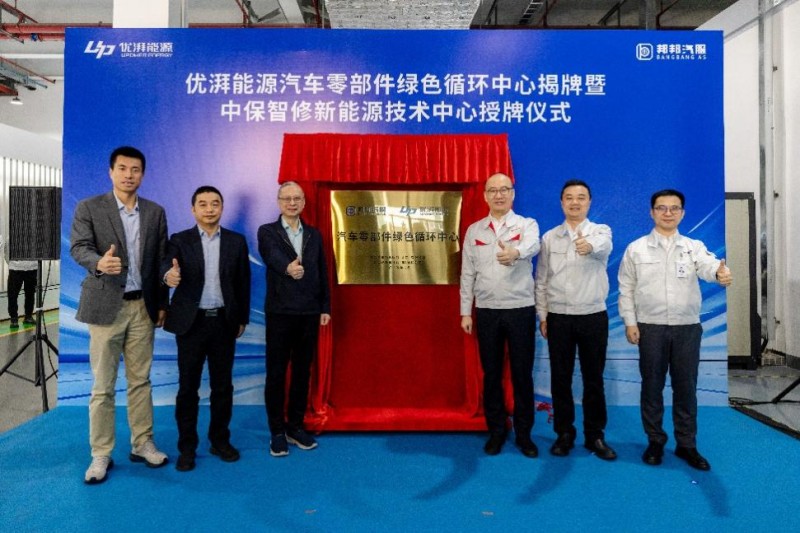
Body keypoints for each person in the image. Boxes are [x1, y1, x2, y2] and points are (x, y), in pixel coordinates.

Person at [70, 146, 169, 484]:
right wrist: (98, 262)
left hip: (143, 307)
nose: (129, 175)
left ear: (143, 174)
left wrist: (162, 303)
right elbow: (79, 247)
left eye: (135, 169)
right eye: (123, 168)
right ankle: (101, 453)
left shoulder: (155, 212)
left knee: (141, 380)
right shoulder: (89, 207)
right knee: (103, 385)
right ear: (111, 171)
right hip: (105, 307)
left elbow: (161, 260)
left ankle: (143, 443)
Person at [618, 189, 732, 471]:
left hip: (686, 328)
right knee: (652, 386)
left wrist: (719, 273)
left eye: (674, 208)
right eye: (661, 208)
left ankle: (686, 444)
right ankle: (655, 441)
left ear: (682, 213)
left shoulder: (693, 247)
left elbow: (709, 267)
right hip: (650, 328)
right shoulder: (636, 249)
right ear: (652, 212)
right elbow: (626, 288)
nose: (668, 213)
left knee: (686, 388)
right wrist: (630, 322)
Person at [162, 186, 251, 472]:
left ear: (222, 208)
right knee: (188, 388)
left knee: (222, 387)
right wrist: (169, 275)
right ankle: (187, 447)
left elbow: (243, 282)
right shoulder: (180, 240)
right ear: (193, 209)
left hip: (224, 323)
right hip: (192, 324)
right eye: (203, 204)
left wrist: (242, 318)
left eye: (215, 203)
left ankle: (219, 440)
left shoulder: (236, 242)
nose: (209, 209)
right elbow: (165, 266)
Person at [535, 179, 616, 460]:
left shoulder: (601, 231)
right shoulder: (550, 237)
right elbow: (541, 279)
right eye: (569, 197)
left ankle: (595, 436)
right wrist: (543, 315)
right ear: (561, 202)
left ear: (589, 202)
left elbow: (603, 246)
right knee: (560, 379)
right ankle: (564, 433)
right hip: (558, 317)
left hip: (592, 316)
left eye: (581, 197)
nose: (575, 202)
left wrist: (588, 244)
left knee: (593, 379)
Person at [460, 172, 540, 458]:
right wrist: (465, 312)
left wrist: (515, 252)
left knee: (522, 374)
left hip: (520, 309)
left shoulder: (527, 225)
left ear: (512, 194)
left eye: (504, 189)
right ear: (485, 196)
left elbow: (534, 246)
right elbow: (467, 273)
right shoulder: (475, 230)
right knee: (491, 374)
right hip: (487, 311)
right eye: (493, 190)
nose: (499, 195)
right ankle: (496, 430)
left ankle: (524, 434)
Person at [258, 181, 330, 457]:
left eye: (296, 198)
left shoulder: (313, 234)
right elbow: (271, 255)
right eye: (286, 198)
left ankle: (295, 426)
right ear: (279, 202)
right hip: (280, 312)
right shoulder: (268, 231)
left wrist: (325, 307)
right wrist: (288, 268)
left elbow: (322, 270)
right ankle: (277, 431)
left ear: (303, 203)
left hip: (309, 312)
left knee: (302, 372)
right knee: (276, 373)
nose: (291, 203)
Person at [6, 258, 38, 329]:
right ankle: (14, 319)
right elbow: (5, 251)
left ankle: (28, 316)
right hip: (15, 267)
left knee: (30, 293)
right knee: (13, 294)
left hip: (32, 267)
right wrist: (12, 263)